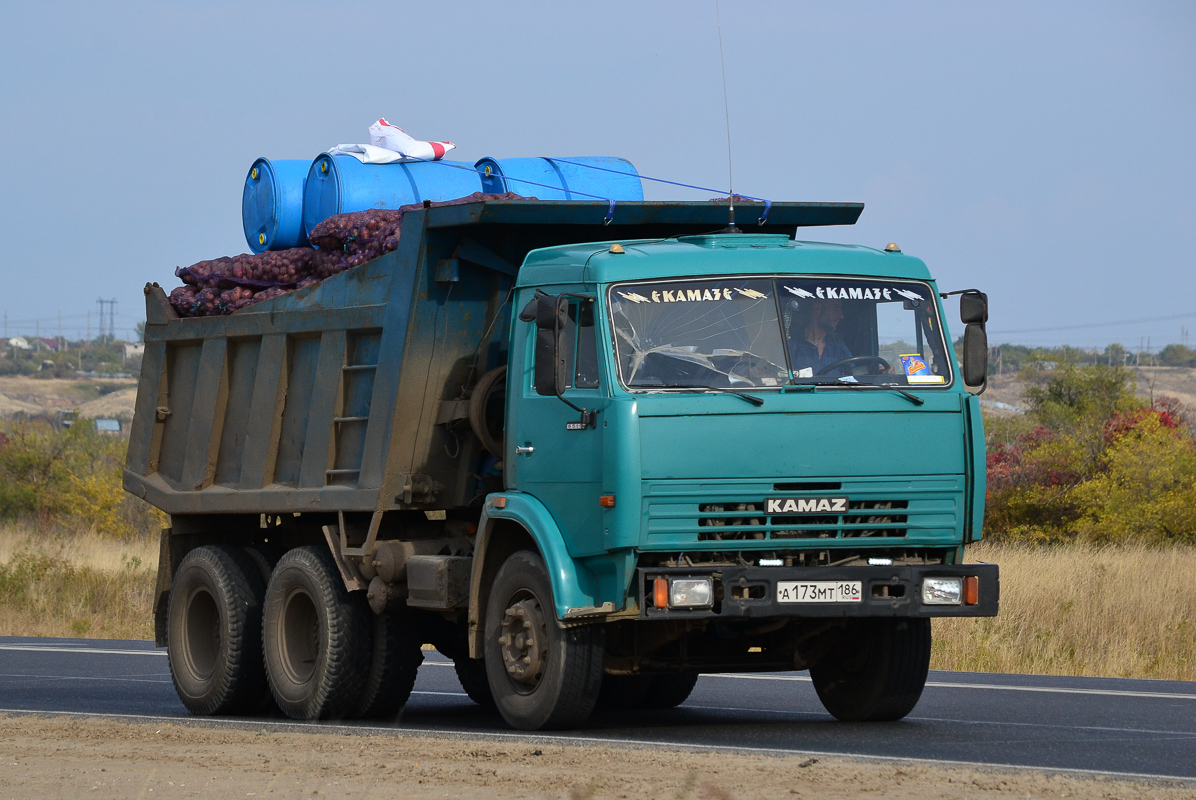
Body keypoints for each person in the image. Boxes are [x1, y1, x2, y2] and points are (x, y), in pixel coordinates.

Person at [788, 298, 853, 375]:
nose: (841, 316)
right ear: (817, 308)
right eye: (836, 309)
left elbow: (853, 375)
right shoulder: (791, 346)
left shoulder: (839, 348)